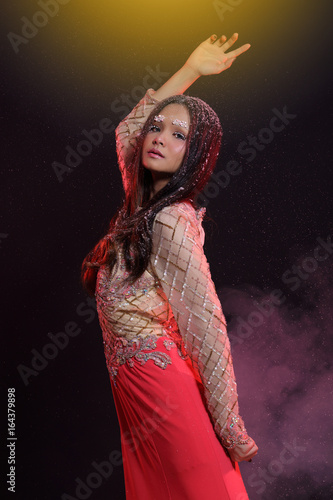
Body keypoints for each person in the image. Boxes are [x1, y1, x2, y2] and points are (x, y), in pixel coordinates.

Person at [82, 33, 258, 500]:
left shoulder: (171, 220)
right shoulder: (140, 204)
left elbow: (206, 326)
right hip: (137, 399)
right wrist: (190, 69)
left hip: (165, 395)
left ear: (193, 156)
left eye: (179, 136)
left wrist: (230, 425)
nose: (158, 137)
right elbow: (128, 131)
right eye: (158, 128)